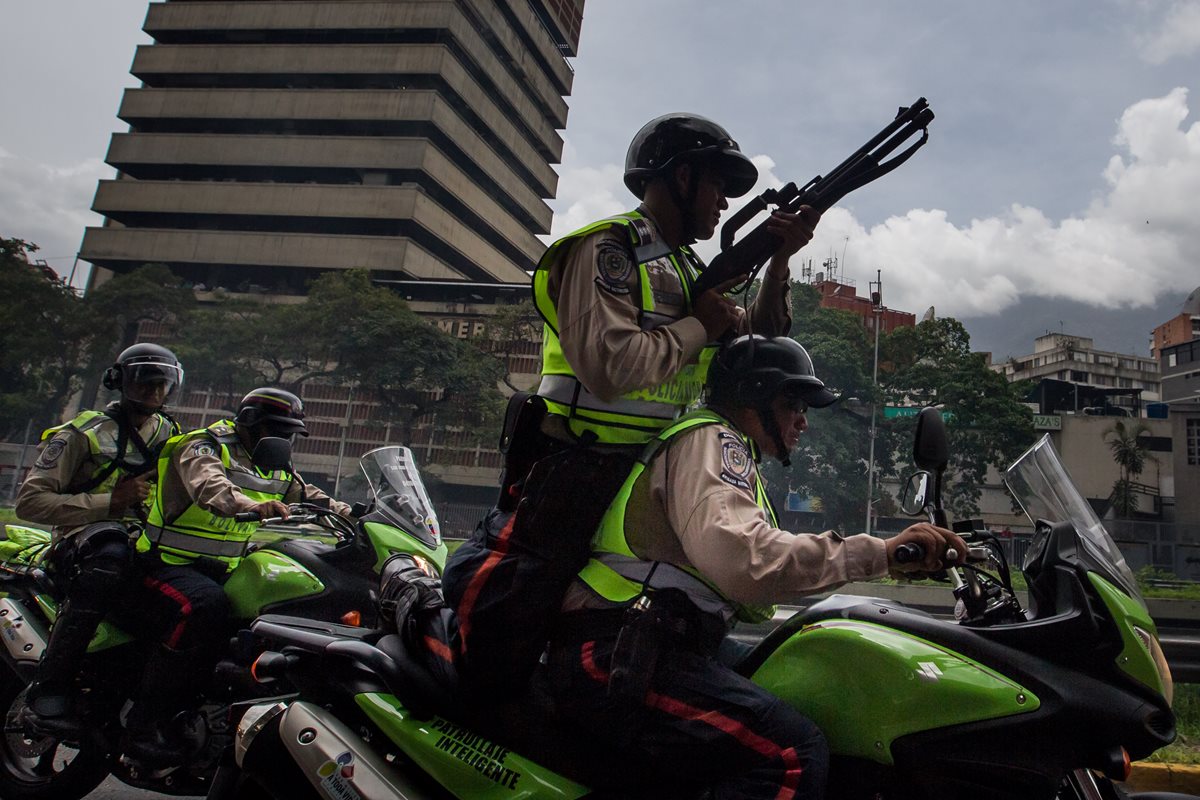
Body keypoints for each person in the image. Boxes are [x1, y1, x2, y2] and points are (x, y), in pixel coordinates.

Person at [541, 335, 967, 799]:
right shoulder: (712, 441)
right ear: (754, 396)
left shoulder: (722, 449)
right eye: (794, 403)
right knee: (791, 754)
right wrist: (878, 553)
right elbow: (744, 561)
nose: (803, 420)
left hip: (647, 643)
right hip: (617, 651)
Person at [530, 112, 822, 449]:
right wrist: (699, 325)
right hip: (576, 465)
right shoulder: (610, 248)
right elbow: (610, 369)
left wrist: (780, 258)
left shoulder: (687, 268)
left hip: (655, 465)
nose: (724, 203)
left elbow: (760, 341)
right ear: (684, 178)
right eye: (717, 186)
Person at [122, 386, 352, 764]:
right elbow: (210, 488)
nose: (284, 438)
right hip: (164, 562)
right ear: (249, 422)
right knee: (203, 606)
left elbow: (310, 496)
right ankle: (146, 722)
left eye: (289, 432)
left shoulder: (273, 462)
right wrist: (254, 505)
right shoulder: (204, 445)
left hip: (221, 569)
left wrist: (359, 518)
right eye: (277, 429)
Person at [16, 343, 184, 740]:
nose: (154, 391)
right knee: (110, 554)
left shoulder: (172, 434)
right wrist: (111, 501)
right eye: (145, 381)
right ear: (119, 381)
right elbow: (30, 501)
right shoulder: (83, 433)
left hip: (144, 538)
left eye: (163, 383)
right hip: (82, 539)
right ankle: (52, 683)